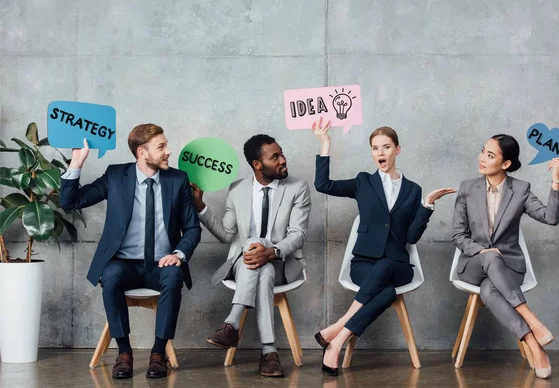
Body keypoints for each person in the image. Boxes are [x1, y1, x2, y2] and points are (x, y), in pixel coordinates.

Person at [311, 119, 455, 376]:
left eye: (386, 147)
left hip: (398, 264)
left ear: (397, 150)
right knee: (387, 294)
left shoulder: (413, 190)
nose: (381, 152)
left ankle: (338, 329)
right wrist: (325, 143)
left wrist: (427, 206)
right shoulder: (362, 182)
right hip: (364, 264)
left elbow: (411, 238)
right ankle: (337, 342)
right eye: (375, 148)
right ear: (372, 152)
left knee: (388, 266)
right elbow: (323, 185)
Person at [60, 124, 201, 379]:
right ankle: (124, 353)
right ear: (142, 152)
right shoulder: (116, 176)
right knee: (110, 275)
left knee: (173, 277)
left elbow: (192, 228)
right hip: (124, 264)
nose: (168, 151)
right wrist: (77, 163)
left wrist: (178, 254)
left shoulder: (177, 180)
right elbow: (70, 202)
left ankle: (158, 354)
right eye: (161, 147)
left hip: (161, 264)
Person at [191, 134, 311, 378]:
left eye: (282, 154)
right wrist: (200, 206)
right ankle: (269, 353)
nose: (283, 160)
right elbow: (226, 234)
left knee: (259, 252)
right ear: (257, 164)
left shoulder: (297, 188)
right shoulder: (237, 189)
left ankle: (232, 324)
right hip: (246, 264)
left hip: (281, 263)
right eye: (274, 157)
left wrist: (271, 251)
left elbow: (297, 235)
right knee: (256, 255)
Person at [452, 134, 559, 379]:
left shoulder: (521, 190)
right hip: (474, 264)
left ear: (506, 164)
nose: (482, 158)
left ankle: (534, 346)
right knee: (490, 257)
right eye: (483, 151)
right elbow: (458, 235)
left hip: (508, 267)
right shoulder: (467, 188)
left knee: (489, 291)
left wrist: (555, 182)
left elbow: (550, 218)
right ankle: (532, 319)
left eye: (490, 155)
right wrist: (483, 251)